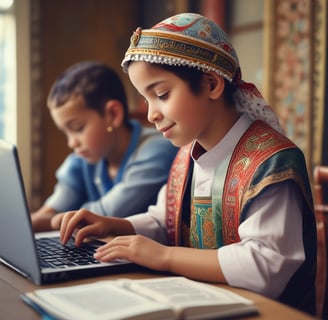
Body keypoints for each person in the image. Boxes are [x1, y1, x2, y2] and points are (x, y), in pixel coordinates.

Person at [53, 14, 317, 315]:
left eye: (161, 94)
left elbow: (265, 265)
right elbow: (164, 221)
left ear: (211, 84)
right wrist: (117, 225)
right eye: (146, 99)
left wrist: (166, 257)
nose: (151, 113)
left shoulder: (270, 161)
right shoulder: (186, 156)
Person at [31, 61, 178, 232]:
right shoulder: (84, 158)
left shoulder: (157, 150)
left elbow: (106, 215)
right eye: (66, 132)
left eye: (78, 128)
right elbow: (50, 211)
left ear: (113, 114)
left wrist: (53, 220)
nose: (72, 143)